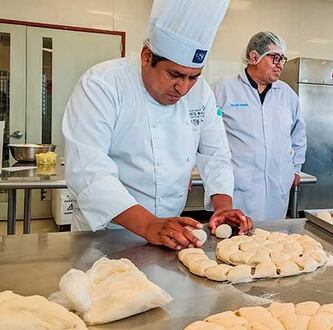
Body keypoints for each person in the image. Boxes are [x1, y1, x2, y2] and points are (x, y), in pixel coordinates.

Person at [62, 0, 253, 251]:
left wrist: (223, 206)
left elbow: (215, 154)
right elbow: (88, 170)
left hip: (170, 236)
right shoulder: (102, 85)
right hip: (104, 234)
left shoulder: (201, 94)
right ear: (146, 57)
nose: (183, 88)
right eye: (174, 75)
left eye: (193, 77)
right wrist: (148, 225)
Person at [212, 32, 306, 221]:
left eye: (282, 59)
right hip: (238, 187)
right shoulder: (223, 89)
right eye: (275, 58)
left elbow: (298, 134)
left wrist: (295, 168)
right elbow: (207, 133)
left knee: (273, 241)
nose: (280, 64)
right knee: (236, 243)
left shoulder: (286, 94)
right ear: (254, 57)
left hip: (277, 187)